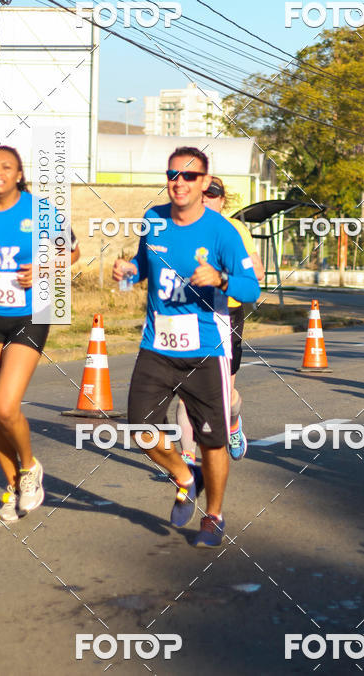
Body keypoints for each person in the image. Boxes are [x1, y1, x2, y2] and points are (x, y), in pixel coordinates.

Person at [113, 147, 260, 548]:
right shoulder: (153, 220)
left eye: (189, 176)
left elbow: (251, 288)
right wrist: (128, 273)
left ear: (203, 182)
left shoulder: (222, 232)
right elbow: (143, 267)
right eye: (173, 174)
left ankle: (214, 515)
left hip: (206, 348)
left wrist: (221, 278)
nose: (179, 182)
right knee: (140, 427)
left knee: (212, 441)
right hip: (157, 344)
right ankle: (182, 475)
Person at [0, 145, 80, 523]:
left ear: (19, 175)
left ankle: (30, 469)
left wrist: (43, 268)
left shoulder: (41, 212)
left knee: (7, 405)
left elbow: (71, 254)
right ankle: (11, 488)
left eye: (6, 167)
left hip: (30, 312)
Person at [176, 176, 265, 464]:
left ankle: (233, 423)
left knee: (224, 393)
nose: (206, 201)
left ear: (222, 200)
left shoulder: (235, 228)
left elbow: (258, 272)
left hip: (226, 313)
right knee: (186, 388)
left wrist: (229, 272)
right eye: (203, 195)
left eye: (212, 196)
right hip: (191, 311)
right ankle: (187, 458)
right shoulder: (183, 225)